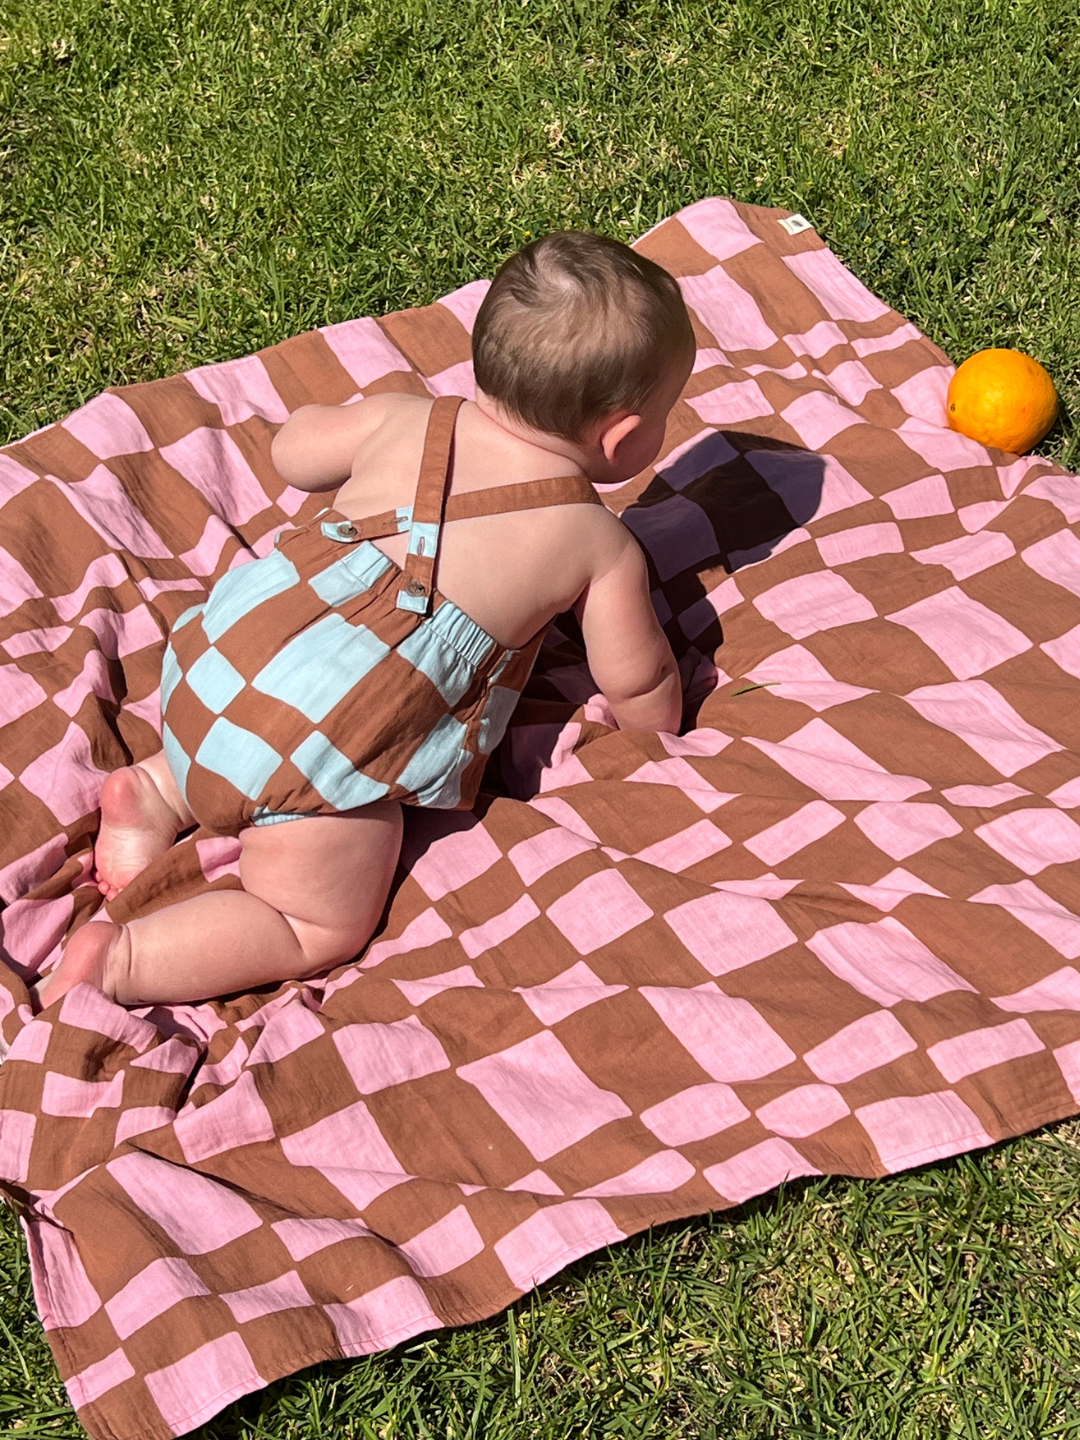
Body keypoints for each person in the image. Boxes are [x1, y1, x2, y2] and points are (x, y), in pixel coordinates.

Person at [38, 231, 693, 1009]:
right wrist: (664, 731)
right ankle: (122, 960)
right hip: (323, 746)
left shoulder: (404, 419)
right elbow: (638, 675)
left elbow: (292, 453)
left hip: (219, 659)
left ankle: (156, 789)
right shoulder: (596, 542)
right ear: (621, 435)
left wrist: (331, 432)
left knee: (246, 733)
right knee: (315, 922)